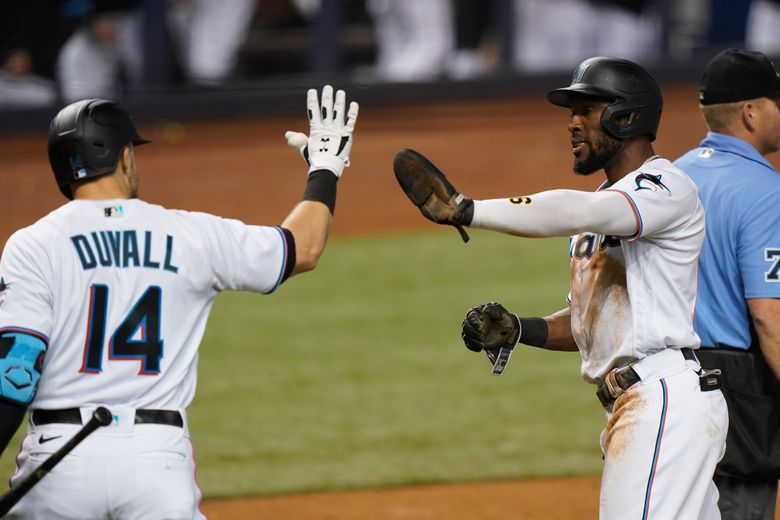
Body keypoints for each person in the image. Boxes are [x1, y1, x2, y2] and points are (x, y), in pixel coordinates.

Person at [0, 86, 358, 519]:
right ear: (124, 157)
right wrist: (325, 169)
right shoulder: (189, 235)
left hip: (59, 461)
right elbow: (303, 248)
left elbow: (13, 376)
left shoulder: (33, 245)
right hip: (156, 460)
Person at [396, 56, 728, 518]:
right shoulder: (598, 210)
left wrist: (468, 210)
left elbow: (568, 209)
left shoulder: (665, 187)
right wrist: (519, 329)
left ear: (625, 115)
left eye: (585, 110)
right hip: (639, 405)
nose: (572, 124)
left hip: (663, 400)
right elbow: (589, 324)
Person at [674, 48, 780, 520]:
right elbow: (768, 317)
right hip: (738, 396)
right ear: (750, 112)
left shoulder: (668, 177)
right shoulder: (765, 190)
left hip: (665, 388)